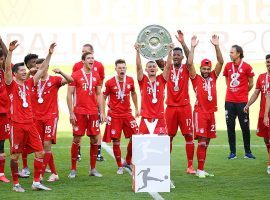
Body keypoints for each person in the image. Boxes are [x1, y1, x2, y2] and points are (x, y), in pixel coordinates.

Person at [5, 40, 55, 192]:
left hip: (30, 124)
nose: (23, 72)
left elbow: (43, 69)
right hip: (17, 124)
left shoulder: (29, 83)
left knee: (40, 152)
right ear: (15, 74)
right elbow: (7, 68)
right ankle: (15, 184)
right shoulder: (11, 85)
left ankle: (36, 182)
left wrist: (49, 54)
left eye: (23, 70)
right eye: (20, 70)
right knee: (15, 156)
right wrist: (10, 52)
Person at [156, 30, 195, 174]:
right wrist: (160, 45)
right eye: (174, 55)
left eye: (179, 55)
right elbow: (157, 59)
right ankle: (166, 164)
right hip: (171, 107)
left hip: (184, 107)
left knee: (189, 136)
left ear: (182, 57)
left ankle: (190, 166)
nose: (176, 57)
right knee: (168, 137)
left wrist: (183, 43)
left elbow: (190, 60)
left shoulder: (186, 68)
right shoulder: (167, 67)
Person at [31, 59, 73, 182]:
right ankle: (54, 173)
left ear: (47, 67)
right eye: (38, 68)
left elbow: (70, 80)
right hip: (36, 118)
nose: (40, 70)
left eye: (42, 67)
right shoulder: (33, 82)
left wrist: (61, 72)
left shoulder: (54, 80)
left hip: (51, 116)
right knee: (42, 148)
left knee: (46, 144)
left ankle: (40, 175)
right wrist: (29, 74)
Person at [188, 35, 224, 178]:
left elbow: (221, 61)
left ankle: (200, 168)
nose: (207, 71)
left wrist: (216, 45)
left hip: (211, 113)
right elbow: (189, 64)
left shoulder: (214, 76)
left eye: (208, 68)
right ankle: (200, 170)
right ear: (200, 68)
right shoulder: (195, 78)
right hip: (200, 113)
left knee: (207, 141)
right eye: (204, 68)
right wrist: (192, 47)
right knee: (202, 141)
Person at [67, 51, 105, 178]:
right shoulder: (75, 75)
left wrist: (102, 111)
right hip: (79, 112)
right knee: (77, 139)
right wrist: (71, 112)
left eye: (93, 58)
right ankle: (73, 169)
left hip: (93, 112)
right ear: (83, 61)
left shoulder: (96, 75)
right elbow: (69, 94)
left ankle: (93, 169)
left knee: (94, 138)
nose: (91, 60)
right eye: (89, 58)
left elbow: (99, 94)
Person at [102, 59, 139, 174]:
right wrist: (102, 113)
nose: (122, 70)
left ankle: (127, 161)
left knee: (136, 137)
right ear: (116, 69)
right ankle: (119, 166)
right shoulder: (109, 82)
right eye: (120, 68)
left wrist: (137, 108)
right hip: (114, 115)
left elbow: (133, 93)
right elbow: (103, 97)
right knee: (116, 141)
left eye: (124, 68)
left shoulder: (130, 80)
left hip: (127, 114)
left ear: (126, 68)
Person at [223, 45, 255, 159]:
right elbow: (227, 81)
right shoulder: (227, 66)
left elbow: (251, 83)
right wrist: (233, 90)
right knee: (230, 127)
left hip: (242, 102)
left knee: (245, 127)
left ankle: (248, 152)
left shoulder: (247, 67)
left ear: (239, 53)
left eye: (232, 52)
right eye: (230, 52)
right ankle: (232, 152)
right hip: (229, 102)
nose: (230, 54)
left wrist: (243, 92)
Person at [135, 42, 173, 135]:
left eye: (154, 66)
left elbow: (167, 67)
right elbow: (139, 67)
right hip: (145, 117)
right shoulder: (142, 80)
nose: (152, 68)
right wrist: (137, 51)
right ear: (146, 70)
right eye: (149, 67)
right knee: (142, 144)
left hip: (159, 118)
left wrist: (170, 51)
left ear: (157, 69)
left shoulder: (161, 79)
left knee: (161, 145)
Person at [245, 54, 270, 174]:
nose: (269, 64)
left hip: (267, 114)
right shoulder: (261, 77)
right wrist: (248, 104)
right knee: (266, 139)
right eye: (268, 62)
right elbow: (256, 93)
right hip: (263, 113)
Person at [0, 36, 10, 183]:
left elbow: (8, 56)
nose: (2, 61)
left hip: (3, 112)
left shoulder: (3, 72)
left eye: (2, 59)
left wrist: (1, 40)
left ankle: (1, 174)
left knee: (1, 142)